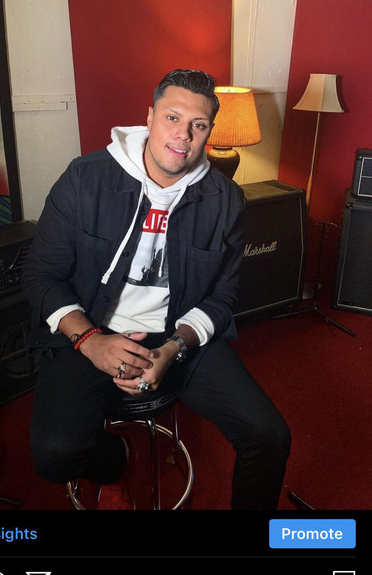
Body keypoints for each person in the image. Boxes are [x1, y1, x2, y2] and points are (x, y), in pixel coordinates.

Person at [21, 68, 291, 510]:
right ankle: (117, 459)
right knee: (54, 456)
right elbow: (40, 275)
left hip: (178, 334)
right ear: (149, 117)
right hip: (90, 328)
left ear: (209, 132)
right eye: (172, 117)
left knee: (269, 435)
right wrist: (91, 342)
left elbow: (223, 297)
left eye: (198, 124)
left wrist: (173, 349)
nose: (183, 134)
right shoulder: (85, 178)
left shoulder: (226, 200)